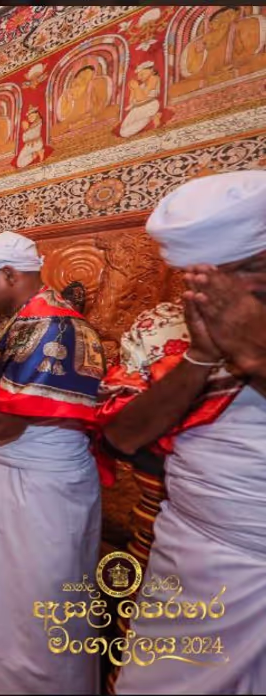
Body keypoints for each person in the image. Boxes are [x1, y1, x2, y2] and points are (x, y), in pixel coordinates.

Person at [100, 171, 266, 695]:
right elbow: (120, 436)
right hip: (183, 540)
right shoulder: (159, 327)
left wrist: (253, 355)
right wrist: (199, 359)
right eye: (199, 280)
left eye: (247, 275)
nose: (215, 293)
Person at [0, 231, 105, 694]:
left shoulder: (54, 329)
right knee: (0, 586)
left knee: (36, 592)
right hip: (8, 477)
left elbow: (2, 425)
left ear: (10, 275)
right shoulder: (20, 322)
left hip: (39, 487)